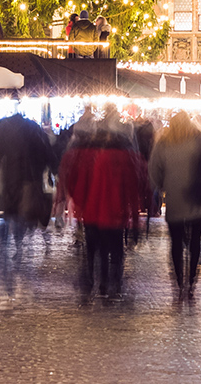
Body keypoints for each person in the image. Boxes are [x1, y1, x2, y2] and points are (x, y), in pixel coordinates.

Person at [62, 117, 145, 304]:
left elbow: (79, 184)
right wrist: (134, 218)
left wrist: (80, 206)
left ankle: (93, 284)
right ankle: (111, 286)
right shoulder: (127, 158)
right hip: (116, 215)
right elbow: (132, 189)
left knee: (93, 250)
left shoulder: (90, 157)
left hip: (92, 213)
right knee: (115, 251)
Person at [148, 111, 201, 304]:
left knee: (176, 243)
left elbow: (154, 170)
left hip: (174, 200)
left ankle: (180, 284)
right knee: (196, 242)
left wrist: (161, 187)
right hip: (199, 199)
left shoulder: (164, 143)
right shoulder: (200, 138)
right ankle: (191, 283)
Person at [0, 109, 52, 302]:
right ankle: (22, 275)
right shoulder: (32, 129)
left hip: (10, 188)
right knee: (23, 227)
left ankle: (7, 286)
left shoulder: (5, 129)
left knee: (6, 233)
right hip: (28, 186)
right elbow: (47, 155)